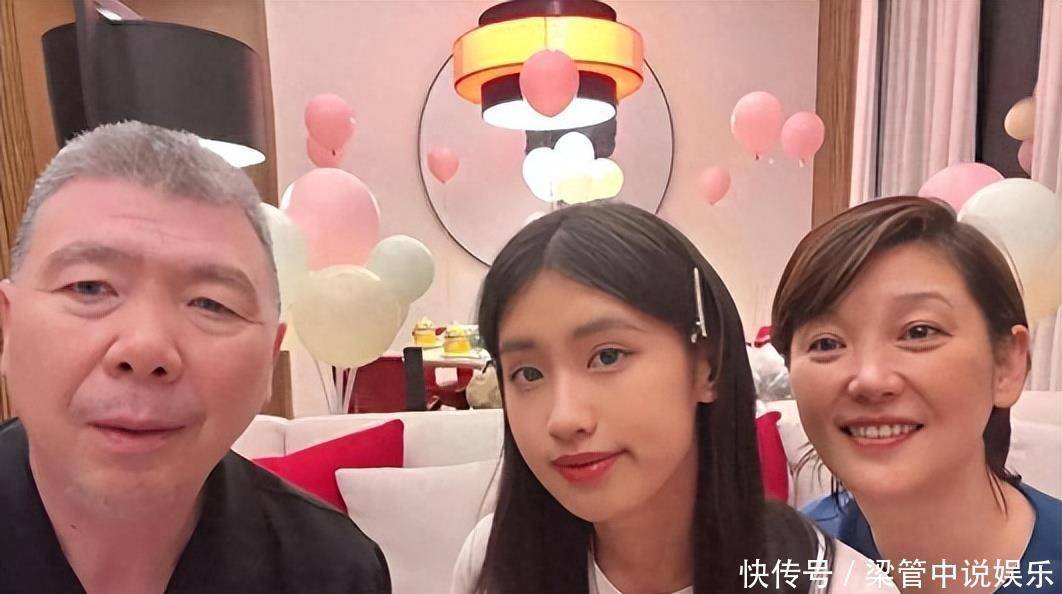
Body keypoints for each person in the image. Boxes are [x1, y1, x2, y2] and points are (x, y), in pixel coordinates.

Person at [0, 121, 390, 594]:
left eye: (211, 304)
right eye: (89, 287)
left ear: (269, 360)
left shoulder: (334, 570)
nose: (146, 347)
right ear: (8, 326)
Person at [451, 202, 896, 594]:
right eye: (528, 373)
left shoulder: (837, 584)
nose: (564, 419)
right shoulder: (493, 562)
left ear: (708, 366)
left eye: (608, 356)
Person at [771, 196, 1061, 593]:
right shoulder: (789, 565)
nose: (870, 379)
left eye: (918, 332)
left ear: (1007, 364)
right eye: (826, 343)